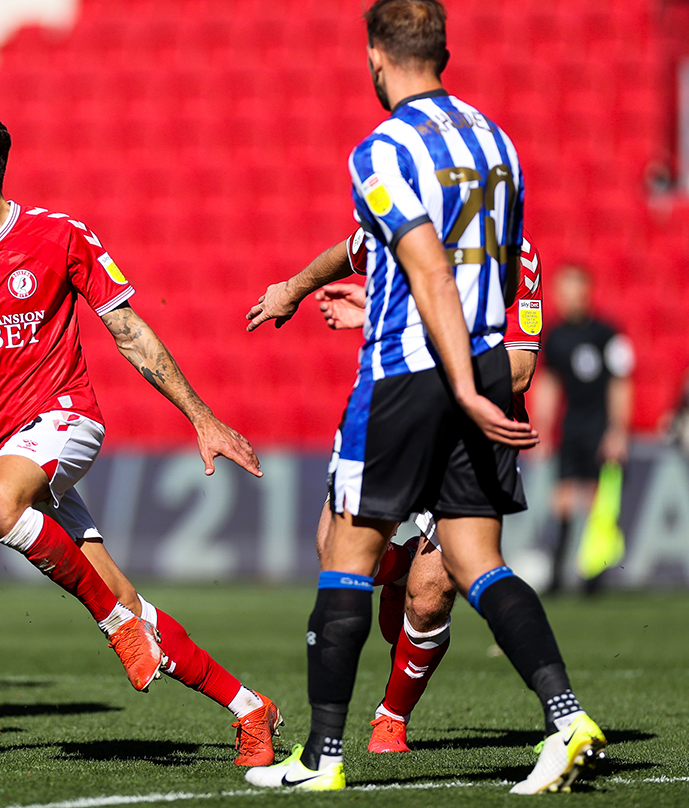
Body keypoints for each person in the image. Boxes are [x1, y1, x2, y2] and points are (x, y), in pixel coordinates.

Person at [241, 0, 605, 793]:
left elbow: (434, 269)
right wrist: (316, 290)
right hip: (468, 365)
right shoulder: (497, 143)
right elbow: (453, 264)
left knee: (344, 555)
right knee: (479, 560)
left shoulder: (380, 150)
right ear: (445, 50)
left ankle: (324, 759)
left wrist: (459, 386)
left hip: (408, 378)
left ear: (377, 56)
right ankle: (568, 715)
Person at [0, 104, 282, 766]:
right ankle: (250, 709)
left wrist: (202, 416)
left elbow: (130, 331)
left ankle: (118, 632)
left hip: (64, 418)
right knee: (119, 592)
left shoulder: (60, 236)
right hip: (1, 448)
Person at [307, 227, 545, 754]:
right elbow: (346, 255)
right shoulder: (399, 225)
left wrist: (433, 363)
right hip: (394, 417)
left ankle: (391, 718)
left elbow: (522, 370)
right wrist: (295, 287)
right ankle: (399, 568)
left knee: (431, 596)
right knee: (338, 557)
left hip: (470, 434)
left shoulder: (516, 256)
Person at [533, 265, 633, 594]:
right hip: (571, 424)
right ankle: (558, 575)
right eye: (562, 292)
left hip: (599, 425)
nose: (567, 299)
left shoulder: (606, 334)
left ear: (586, 293)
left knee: (594, 500)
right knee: (561, 499)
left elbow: (620, 384)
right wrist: (543, 427)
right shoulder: (556, 336)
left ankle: (593, 575)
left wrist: (617, 430)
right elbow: (549, 383)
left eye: (573, 291)